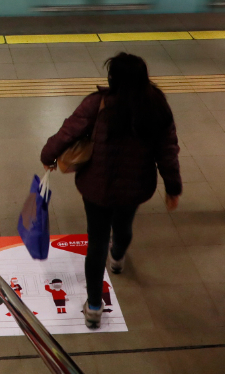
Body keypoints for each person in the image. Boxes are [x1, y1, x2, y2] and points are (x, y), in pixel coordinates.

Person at [40, 53, 182, 329]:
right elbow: (168, 151)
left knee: (96, 242)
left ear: (112, 78)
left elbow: (67, 132)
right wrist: (173, 187)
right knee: (125, 224)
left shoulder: (98, 103)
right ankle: (117, 258)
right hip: (136, 185)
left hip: (97, 186)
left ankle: (94, 307)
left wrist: (49, 155)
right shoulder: (157, 106)